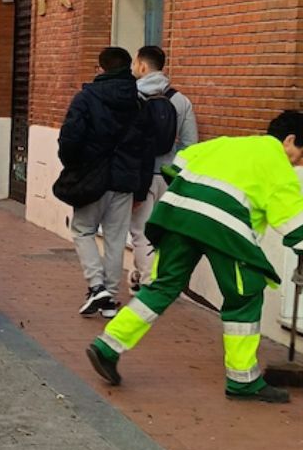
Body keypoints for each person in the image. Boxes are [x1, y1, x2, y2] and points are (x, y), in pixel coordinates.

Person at [87, 110, 303, 404]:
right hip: (225, 228)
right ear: (289, 139)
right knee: (245, 296)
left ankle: (108, 346)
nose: (298, 162)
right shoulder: (277, 164)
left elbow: (178, 164)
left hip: (177, 214)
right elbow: (293, 221)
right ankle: (242, 380)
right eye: (301, 154)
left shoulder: (227, 143)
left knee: (163, 285)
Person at [57, 47, 150, 319]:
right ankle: (109, 298)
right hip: (124, 181)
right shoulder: (138, 102)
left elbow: (70, 139)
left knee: (83, 229)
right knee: (116, 240)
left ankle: (97, 286)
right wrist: (140, 188)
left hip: (91, 178)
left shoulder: (86, 98)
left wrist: (74, 167)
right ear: (128, 68)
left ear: (100, 68)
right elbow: (145, 149)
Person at [129, 45, 198, 290]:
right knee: (162, 233)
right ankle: (143, 274)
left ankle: (149, 284)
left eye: (134, 62)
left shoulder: (132, 97)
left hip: (141, 175)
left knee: (141, 232)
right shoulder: (181, 100)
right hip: (169, 177)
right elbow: (190, 144)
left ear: (142, 66)